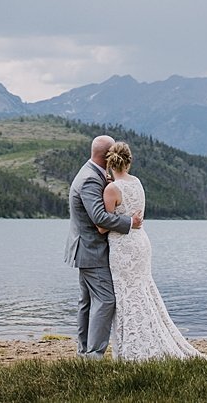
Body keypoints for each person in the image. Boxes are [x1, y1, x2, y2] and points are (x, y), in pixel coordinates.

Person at [102, 141, 207, 360]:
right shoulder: (137, 183)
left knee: (126, 295)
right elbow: (135, 212)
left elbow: (103, 226)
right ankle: (152, 339)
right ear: (129, 162)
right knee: (142, 291)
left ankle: (133, 349)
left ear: (110, 162)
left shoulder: (111, 189)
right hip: (141, 242)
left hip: (123, 247)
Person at [65, 134, 139, 358]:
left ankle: (85, 353)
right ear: (108, 156)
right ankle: (94, 355)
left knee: (87, 302)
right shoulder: (89, 179)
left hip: (85, 250)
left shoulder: (91, 174)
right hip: (91, 250)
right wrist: (130, 222)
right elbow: (99, 217)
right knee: (106, 300)